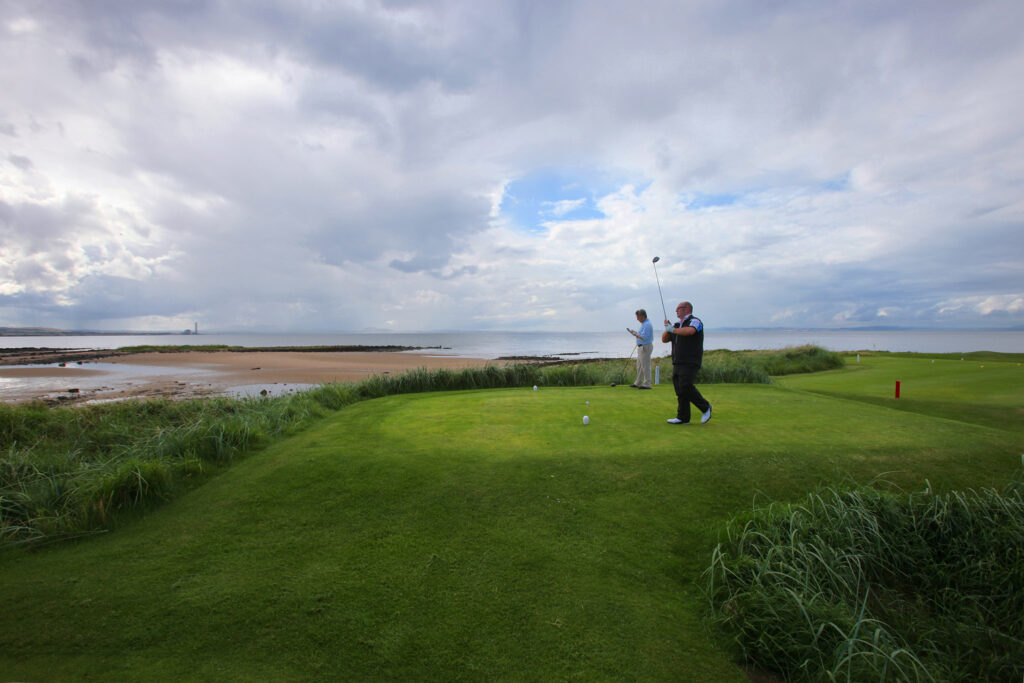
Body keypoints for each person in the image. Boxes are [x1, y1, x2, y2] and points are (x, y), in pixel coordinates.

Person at [662, 301, 712, 425]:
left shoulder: (695, 321)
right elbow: (664, 339)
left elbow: (690, 331)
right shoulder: (677, 325)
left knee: (686, 386)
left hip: (690, 360)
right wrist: (668, 329)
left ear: (687, 309)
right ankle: (683, 417)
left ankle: (705, 407)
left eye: (679, 308)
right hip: (677, 361)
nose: (676, 311)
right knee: (680, 389)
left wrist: (673, 329)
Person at [627, 309, 654, 389]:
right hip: (641, 347)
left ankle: (647, 384)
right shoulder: (644, 324)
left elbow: (644, 337)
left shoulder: (647, 324)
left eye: (638, 317)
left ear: (642, 316)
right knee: (639, 366)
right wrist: (635, 333)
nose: (637, 319)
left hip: (645, 346)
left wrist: (635, 334)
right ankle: (638, 382)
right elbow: (641, 335)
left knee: (645, 366)